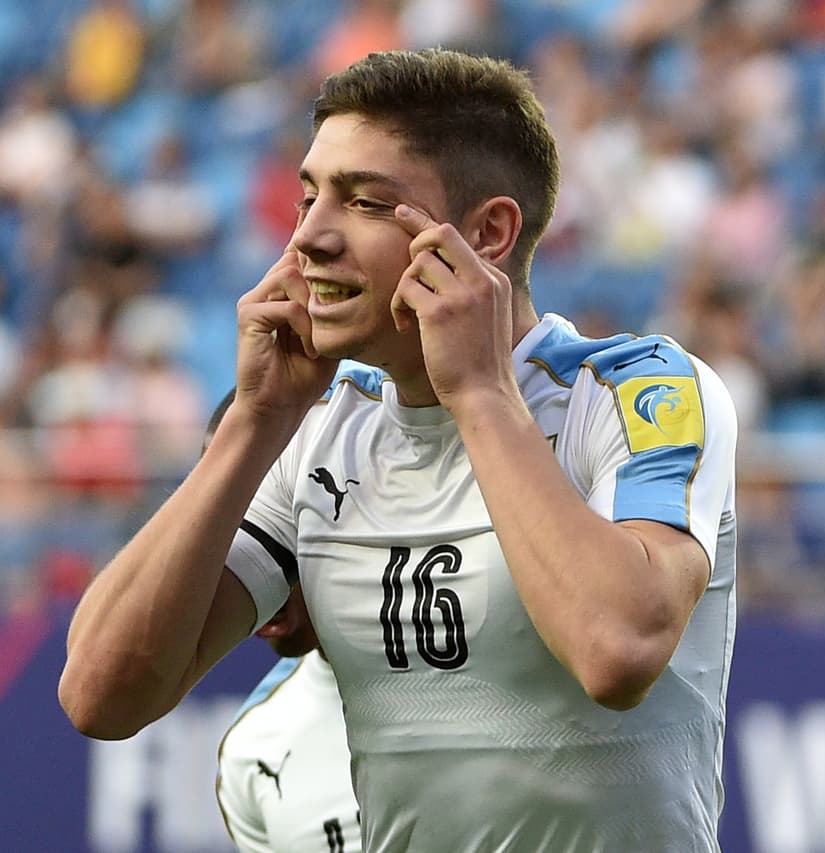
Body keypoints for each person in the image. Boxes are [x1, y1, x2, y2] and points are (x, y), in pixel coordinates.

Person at [59, 49, 738, 852]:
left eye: (366, 202)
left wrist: (479, 393)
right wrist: (253, 420)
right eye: (310, 196)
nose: (309, 238)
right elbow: (103, 695)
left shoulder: (637, 390)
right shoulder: (317, 432)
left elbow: (619, 649)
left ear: (487, 233)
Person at [201, 390, 361, 852]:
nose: (244, 552)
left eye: (274, 513)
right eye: (227, 521)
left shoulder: (507, 668)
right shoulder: (251, 752)